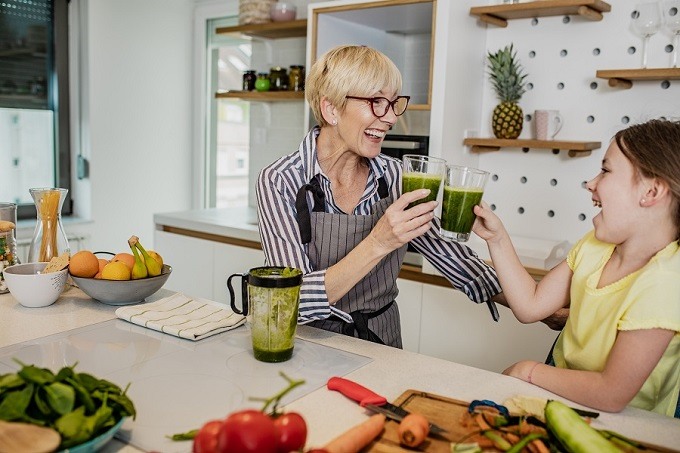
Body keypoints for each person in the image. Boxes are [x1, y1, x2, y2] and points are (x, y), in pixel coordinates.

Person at [255, 45, 506, 348]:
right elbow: (291, 301)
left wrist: (539, 307)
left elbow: (455, 260)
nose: (390, 119)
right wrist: (380, 242)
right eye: (376, 102)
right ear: (331, 109)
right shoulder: (281, 180)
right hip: (309, 344)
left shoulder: (397, 176)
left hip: (382, 343)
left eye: (392, 104)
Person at [472, 119, 680, 417]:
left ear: (651, 191)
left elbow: (611, 394)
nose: (591, 183)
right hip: (563, 394)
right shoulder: (594, 245)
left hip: (630, 423)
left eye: (606, 170)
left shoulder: (666, 281)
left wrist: (527, 370)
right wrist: (498, 238)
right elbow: (530, 305)